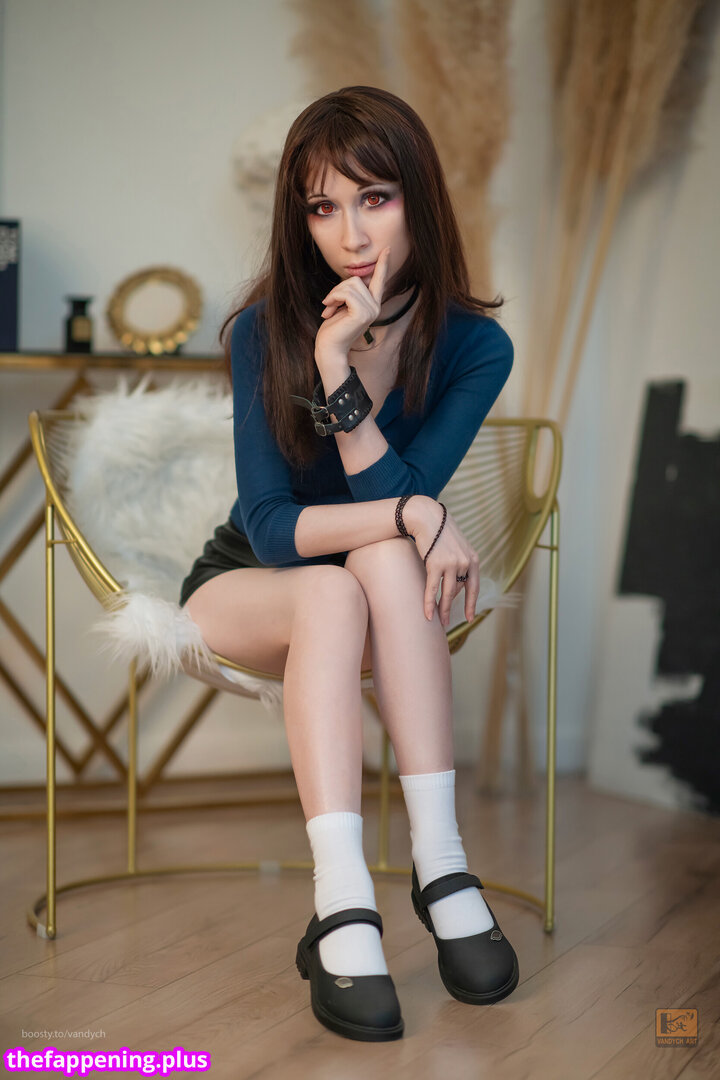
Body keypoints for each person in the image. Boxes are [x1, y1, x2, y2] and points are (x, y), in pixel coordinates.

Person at [179, 85, 518, 1042]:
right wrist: (408, 505)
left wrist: (344, 386)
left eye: (375, 198)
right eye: (322, 208)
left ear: (418, 198)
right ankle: (343, 899)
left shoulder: (475, 348)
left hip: (378, 588)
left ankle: (439, 864)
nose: (351, 234)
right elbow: (273, 529)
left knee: (377, 562)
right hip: (245, 585)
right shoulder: (263, 331)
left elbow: (391, 505)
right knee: (340, 581)